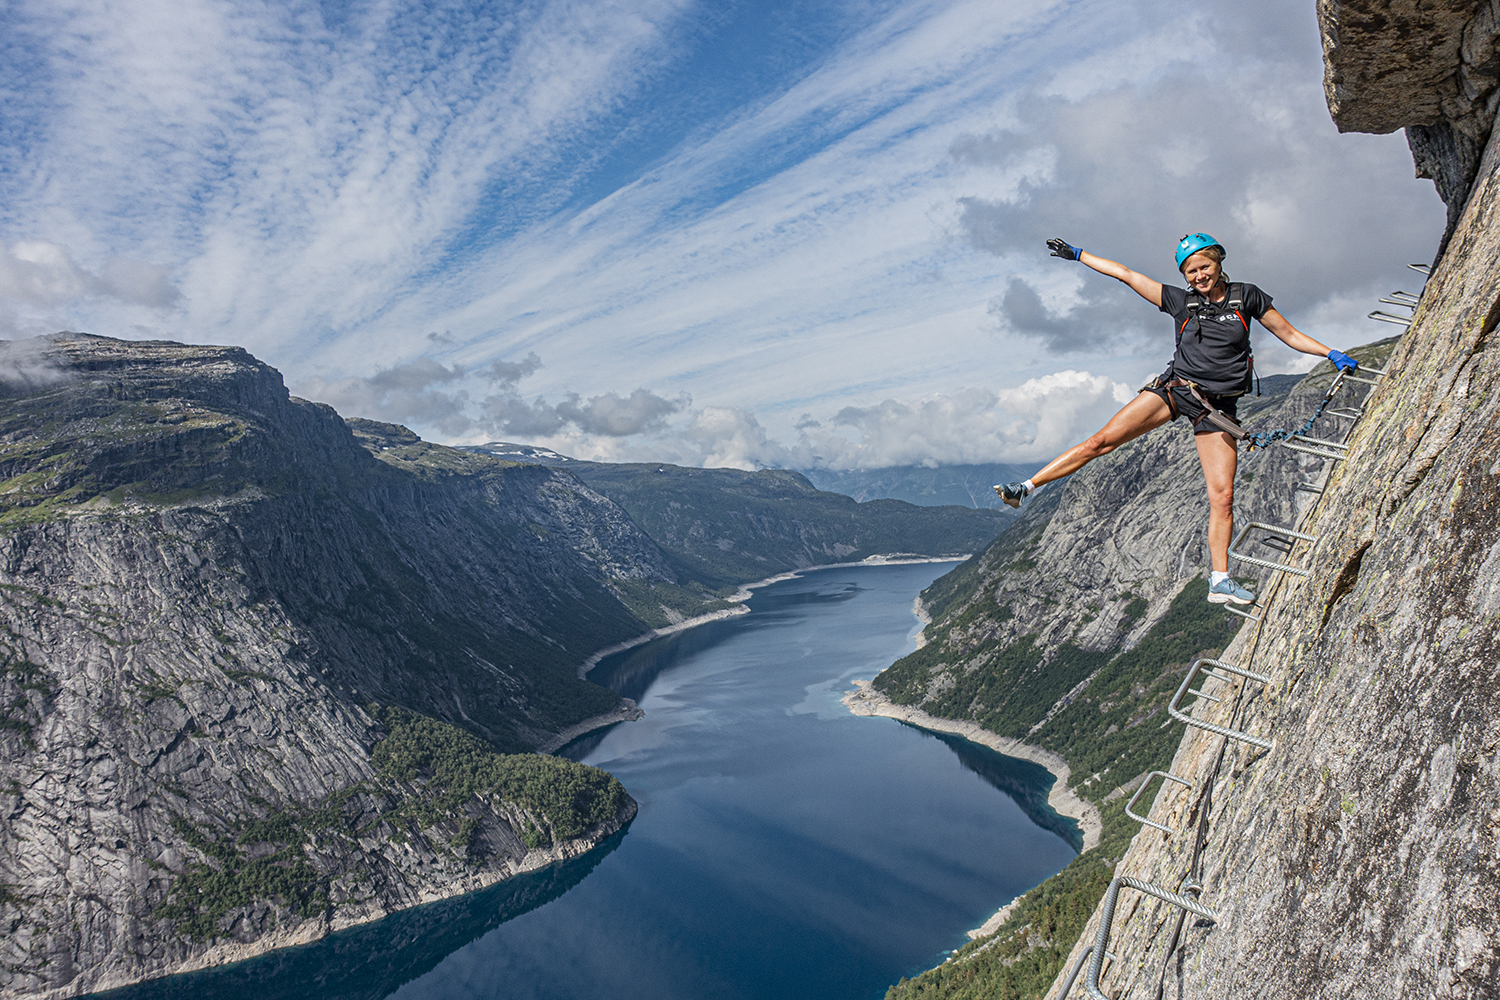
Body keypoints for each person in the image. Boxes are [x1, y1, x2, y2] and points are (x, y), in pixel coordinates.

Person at [994, 233, 1359, 606]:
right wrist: (1079, 255)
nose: (1198, 275)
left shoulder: (1247, 296)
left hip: (1217, 409)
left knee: (1223, 496)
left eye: (1204, 266)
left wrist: (1329, 352)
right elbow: (1125, 275)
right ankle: (1026, 487)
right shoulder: (1180, 301)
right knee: (1100, 442)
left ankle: (1219, 580)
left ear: (1218, 262)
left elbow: (1289, 334)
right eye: (1190, 270)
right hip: (1176, 389)